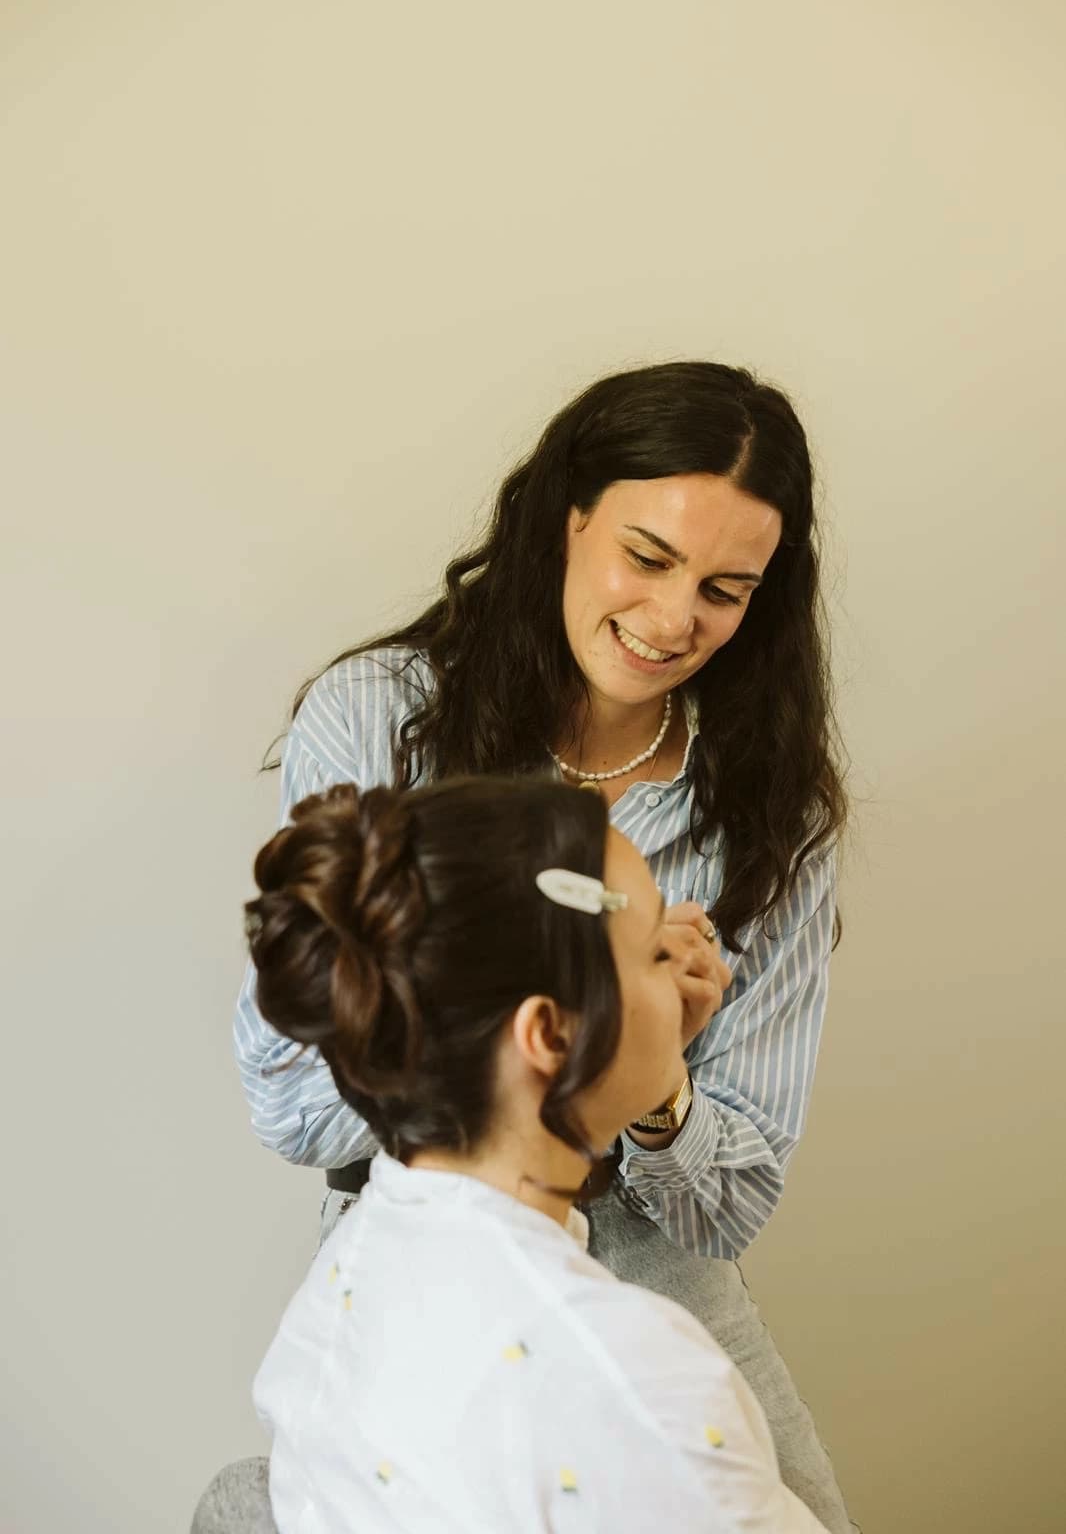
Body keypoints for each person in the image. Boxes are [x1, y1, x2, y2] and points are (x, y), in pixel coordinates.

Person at [234, 361, 852, 1529]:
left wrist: (651, 1076)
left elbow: (729, 1206)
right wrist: (606, 1047)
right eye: (649, 558)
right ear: (567, 517)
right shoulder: (379, 717)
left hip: (631, 1255)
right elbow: (293, 1098)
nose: (675, 622)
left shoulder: (765, 811)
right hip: (430, 1230)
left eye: (727, 589)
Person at [248, 775, 832, 1532]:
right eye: (656, 948)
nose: (692, 951)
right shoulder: (641, 1385)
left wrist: (634, 1045)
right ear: (551, 1036)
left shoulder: (336, 1292)